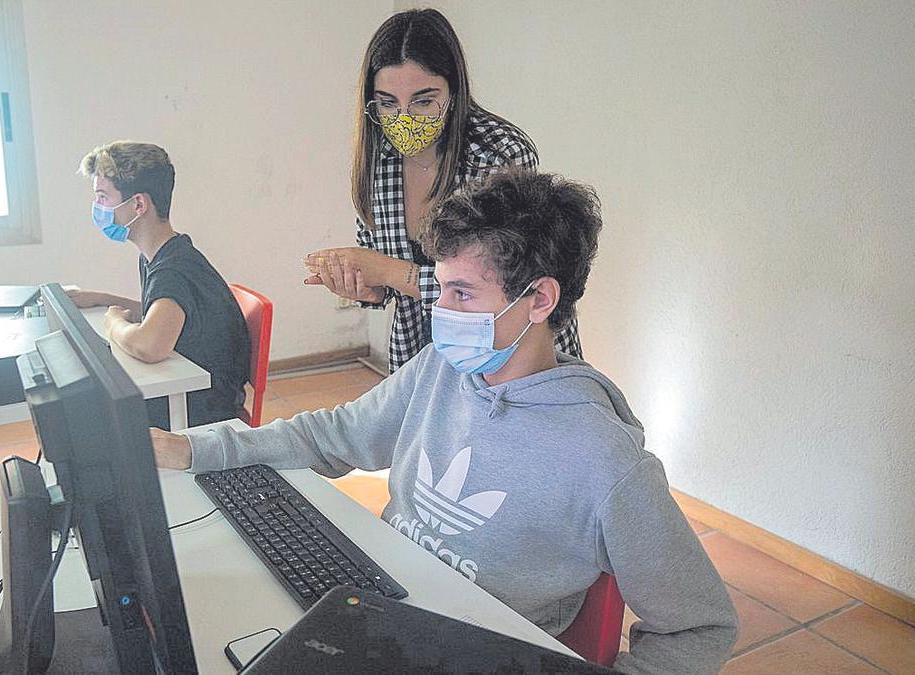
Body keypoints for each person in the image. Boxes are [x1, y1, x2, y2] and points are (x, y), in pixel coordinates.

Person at [155, 168, 738, 674]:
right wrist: (198, 449)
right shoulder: (441, 370)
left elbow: (700, 626)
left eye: (462, 294)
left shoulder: (605, 460)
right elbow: (331, 437)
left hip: (473, 652)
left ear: (540, 300)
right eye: (441, 289)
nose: (440, 313)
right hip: (383, 611)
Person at [304, 8, 582, 374]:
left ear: (454, 91)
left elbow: (503, 289)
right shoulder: (378, 161)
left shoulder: (500, 155)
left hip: (509, 356)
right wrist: (367, 286)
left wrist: (390, 273)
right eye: (387, 102)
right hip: (421, 356)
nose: (405, 118)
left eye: (423, 100)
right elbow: (384, 276)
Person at [70, 141, 250, 430]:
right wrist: (99, 298)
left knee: (87, 413)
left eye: (103, 197)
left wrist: (114, 323)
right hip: (196, 397)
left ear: (138, 204)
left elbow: (150, 345)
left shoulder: (173, 270)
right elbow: (161, 314)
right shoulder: (166, 254)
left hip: (202, 413)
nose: (98, 208)